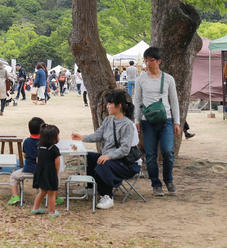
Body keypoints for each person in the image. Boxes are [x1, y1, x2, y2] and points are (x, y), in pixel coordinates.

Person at [71, 90, 139, 210]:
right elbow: (98, 135)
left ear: (119, 106)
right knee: (90, 156)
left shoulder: (127, 125)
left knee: (104, 162)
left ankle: (107, 196)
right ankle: (91, 188)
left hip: (126, 163)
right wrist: (82, 137)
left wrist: (108, 156)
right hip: (110, 158)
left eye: (109, 104)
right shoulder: (108, 120)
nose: (107, 106)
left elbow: (125, 149)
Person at [133, 47, 180, 196]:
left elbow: (174, 101)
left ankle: (168, 180)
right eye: (145, 60)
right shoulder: (140, 79)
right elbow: (137, 101)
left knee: (168, 151)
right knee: (151, 154)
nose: (147, 63)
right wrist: (137, 120)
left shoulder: (168, 79)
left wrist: (177, 122)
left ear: (159, 61)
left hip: (165, 120)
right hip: (148, 121)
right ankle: (156, 183)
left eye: (150, 60)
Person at [8, 116, 44, 205]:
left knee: (13, 176)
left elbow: (25, 155)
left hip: (28, 170)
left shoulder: (27, 141)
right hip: (43, 171)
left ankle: (15, 196)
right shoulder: (45, 141)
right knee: (55, 177)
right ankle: (55, 196)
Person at [31, 124, 62, 217]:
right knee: (52, 193)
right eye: (57, 136)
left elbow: (37, 160)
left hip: (40, 172)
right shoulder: (54, 149)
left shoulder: (39, 147)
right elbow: (57, 163)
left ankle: (35, 208)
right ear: (53, 138)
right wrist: (55, 172)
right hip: (50, 172)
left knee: (43, 191)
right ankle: (51, 212)